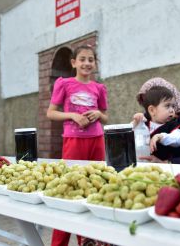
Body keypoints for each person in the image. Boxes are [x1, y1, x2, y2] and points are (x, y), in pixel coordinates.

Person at [46, 45, 108, 246]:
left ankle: (88, 241)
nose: (87, 63)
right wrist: (72, 115)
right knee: (69, 190)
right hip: (73, 141)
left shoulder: (99, 88)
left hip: (96, 141)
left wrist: (98, 114)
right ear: (74, 63)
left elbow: (106, 117)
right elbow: (51, 113)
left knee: (96, 188)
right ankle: (59, 242)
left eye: (91, 60)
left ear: (95, 63)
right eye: (82, 59)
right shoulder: (64, 84)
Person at [133, 86, 180, 161]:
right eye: (167, 106)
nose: (172, 110)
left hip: (164, 167)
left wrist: (160, 137)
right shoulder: (144, 123)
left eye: (173, 106)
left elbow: (177, 139)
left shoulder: (173, 125)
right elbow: (128, 136)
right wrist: (136, 122)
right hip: (141, 164)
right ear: (152, 110)